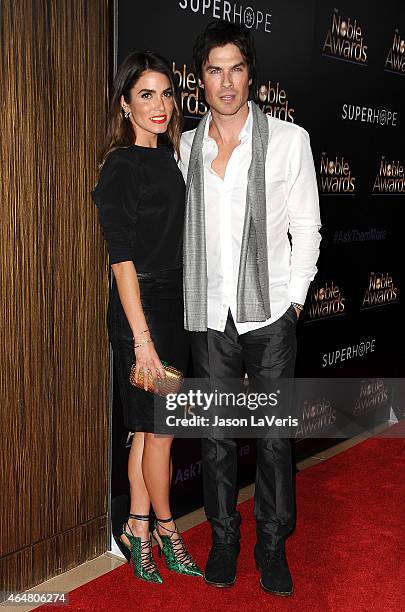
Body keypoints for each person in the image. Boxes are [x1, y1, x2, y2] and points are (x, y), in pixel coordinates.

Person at [179, 22, 321, 595]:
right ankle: (223, 541)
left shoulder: (290, 140)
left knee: (271, 439)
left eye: (236, 68)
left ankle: (271, 546)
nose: (227, 82)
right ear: (201, 79)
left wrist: (294, 302)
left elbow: (308, 226)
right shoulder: (188, 146)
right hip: (209, 312)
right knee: (214, 438)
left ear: (250, 73)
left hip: (269, 315)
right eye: (215, 70)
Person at [92, 50, 202, 584]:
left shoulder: (169, 157)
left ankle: (136, 527)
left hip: (175, 307)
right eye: (145, 95)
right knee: (160, 432)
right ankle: (167, 529)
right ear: (125, 105)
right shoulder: (120, 166)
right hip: (142, 312)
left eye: (165, 93)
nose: (160, 105)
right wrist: (142, 340)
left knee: (146, 431)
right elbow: (122, 259)